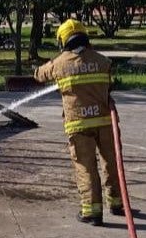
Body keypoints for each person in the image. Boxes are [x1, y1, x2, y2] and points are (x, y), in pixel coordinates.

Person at [34, 19, 121, 226]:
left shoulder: (59, 63)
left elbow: (39, 75)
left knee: (86, 167)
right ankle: (117, 203)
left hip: (78, 124)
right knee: (111, 161)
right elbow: (110, 84)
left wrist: (37, 69)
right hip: (105, 122)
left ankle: (92, 211)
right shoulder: (103, 61)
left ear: (63, 40)